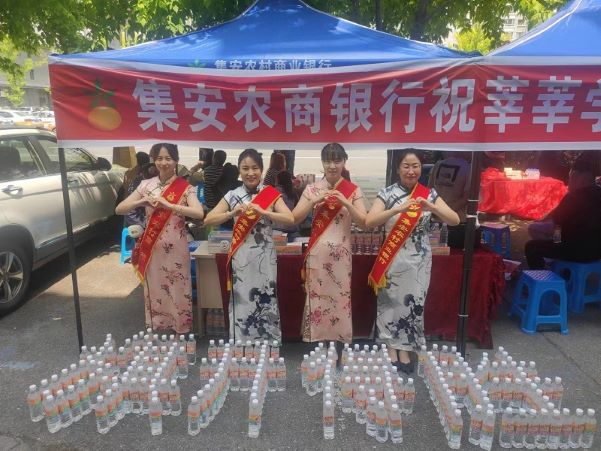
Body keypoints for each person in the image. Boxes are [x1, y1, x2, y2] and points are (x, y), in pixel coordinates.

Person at [365, 150, 459, 374]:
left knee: (413, 304)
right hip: (393, 258)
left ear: (421, 168)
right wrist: (397, 209)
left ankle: (405, 348)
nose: (411, 171)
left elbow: (455, 220)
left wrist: (433, 208)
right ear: (398, 169)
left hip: (419, 261)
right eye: (406, 166)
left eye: (415, 166)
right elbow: (369, 221)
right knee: (390, 302)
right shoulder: (387, 193)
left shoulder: (429, 194)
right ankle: (390, 346)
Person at [204, 149, 294, 341]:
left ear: (261, 170)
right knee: (242, 298)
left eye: (255, 168)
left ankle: (268, 345)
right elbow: (208, 219)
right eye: (245, 168)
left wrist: (265, 212)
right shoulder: (232, 195)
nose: (250, 173)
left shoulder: (270, 194)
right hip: (242, 256)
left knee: (266, 298)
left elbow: (290, 218)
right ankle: (241, 344)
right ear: (239, 170)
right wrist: (231, 213)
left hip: (265, 256)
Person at [115, 143, 204, 334]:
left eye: (168, 158)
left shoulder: (185, 187)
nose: (164, 163)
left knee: (179, 287)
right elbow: (119, 209)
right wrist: (141, 201)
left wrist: (169, 205)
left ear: (176, 160)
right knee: (155, 287)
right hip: (153, 247)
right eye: (159, 158)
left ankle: (181, 328)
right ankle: (158, 326)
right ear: (154, 160)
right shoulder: (146, 185)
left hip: (177, 247)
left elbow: (198, 213)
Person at [292, 143, 367, 343]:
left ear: (344, 161)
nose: (332, 166)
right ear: (322, 162)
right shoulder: (312, 189)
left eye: (337, 161)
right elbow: (294, 218)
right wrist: (313, 201)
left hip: (341, 257)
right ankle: (319, 347)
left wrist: (346, 203)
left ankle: (339, 346)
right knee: (318, 299)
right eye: (327, 161)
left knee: (340, 300)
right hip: (318, 255)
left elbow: (364, 222)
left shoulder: (353, 190)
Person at [525, 159, 601, 269]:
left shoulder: (572, 198)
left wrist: (556, 244)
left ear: (578, 178)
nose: (569, 181)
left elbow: (557, 227)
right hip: (597, 252)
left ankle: (544, 277)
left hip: (578, 251)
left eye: (570, 178)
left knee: (531, 247)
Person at [428, 151, 471, 248]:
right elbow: (467, 197)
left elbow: (429, 191)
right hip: (456, 222)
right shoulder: (468, 168)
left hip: (435, 221)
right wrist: (447, 213)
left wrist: (439, 212)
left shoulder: (437, 165)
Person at [122, 151, 151, 227]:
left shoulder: (129, 172)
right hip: (137, 211)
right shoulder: (145, 174)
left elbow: (124, 186)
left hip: (127, 205)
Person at [273, 170, 300, 240]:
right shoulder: (293, 193)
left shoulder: (273, 192)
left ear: (278, 180)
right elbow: (297, 208)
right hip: (292, 228)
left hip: (277, 228)